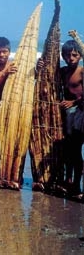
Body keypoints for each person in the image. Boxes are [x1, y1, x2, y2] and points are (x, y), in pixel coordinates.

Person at [59, 40, 84, 196]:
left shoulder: (82, 72)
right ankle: (68, 180)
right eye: (68, 55)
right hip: (68, 114)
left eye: (74, 55)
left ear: (80, 56)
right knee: (68, 148)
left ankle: (76, 183)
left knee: (75, 148)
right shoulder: (63, 72)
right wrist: (40, 66)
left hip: (80, 112)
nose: (71, 58)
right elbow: (43, 75)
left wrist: (73, 101)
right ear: (63, 56)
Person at [0, 37, 17, 109]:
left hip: (12, 103)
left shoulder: (14, 65)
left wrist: (38, 69)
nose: (1, 54)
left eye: (4, 51)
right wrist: (5, 72)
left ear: (9, 52)